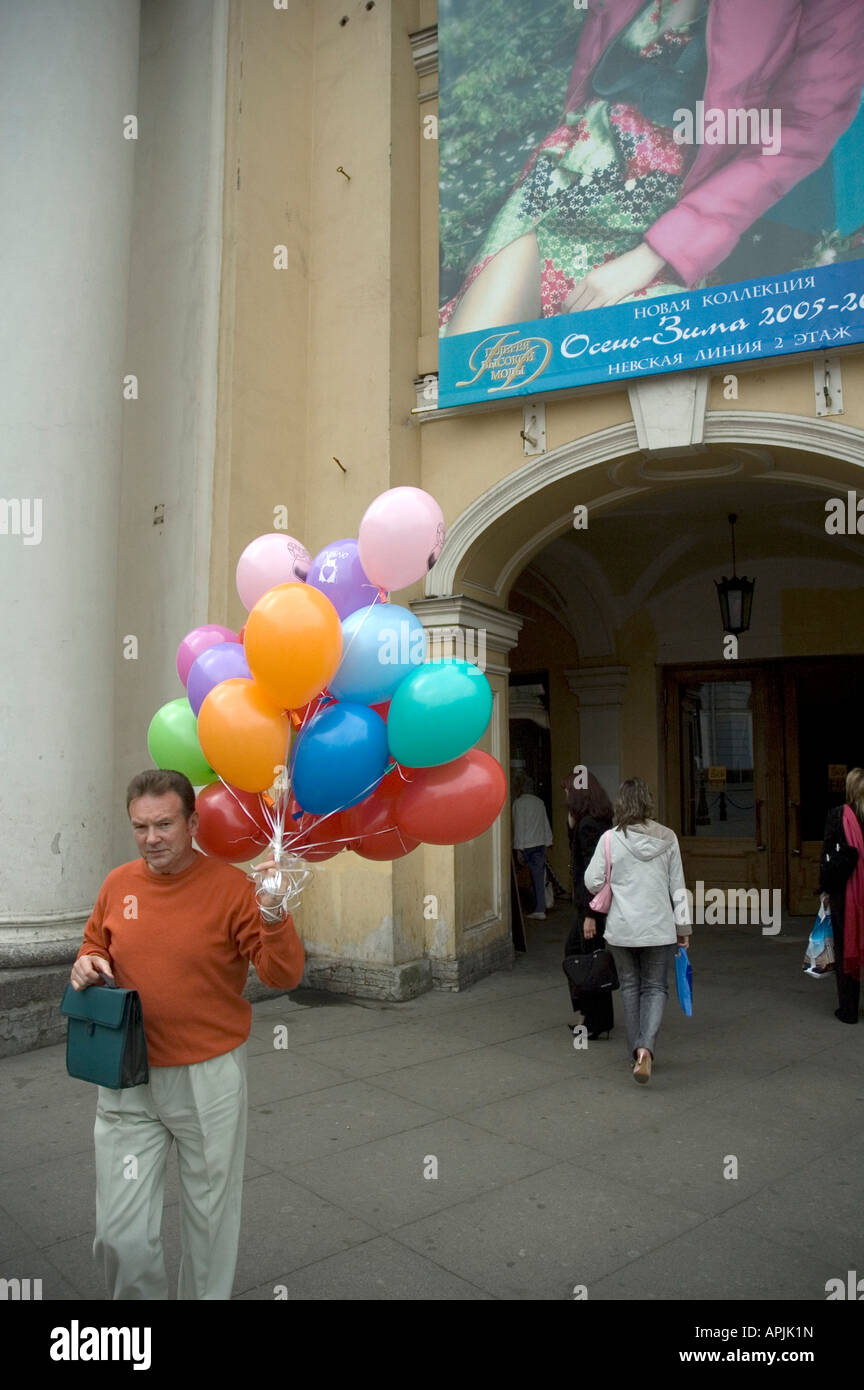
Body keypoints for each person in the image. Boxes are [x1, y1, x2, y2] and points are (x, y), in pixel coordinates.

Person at [441, 0, 864, 334]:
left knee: (605, 394)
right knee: (475, 365)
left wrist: (658, 253)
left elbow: (799, 127)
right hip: (562, 179)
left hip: (666, 217)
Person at [69, 768, 305, 1300]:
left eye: (164, 825)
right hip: (127, 1076)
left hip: (208, 1079)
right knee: (120, 1235)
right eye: (140, 827)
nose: (151, 838)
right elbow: (93, 944)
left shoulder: (230, 888)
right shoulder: (118, 884)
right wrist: (87, 963)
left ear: (193, 822)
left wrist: (273, 912)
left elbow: (281, 974)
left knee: (210, 1220)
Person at [584, 777, 691, 1083]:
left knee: (630, 986)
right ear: (648, 802)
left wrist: (614, 881)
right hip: (659, 928)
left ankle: (635, 1052)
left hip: (621, 929)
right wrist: (683, 927)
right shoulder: (668, 837)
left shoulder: (609, 839)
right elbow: (678, 887)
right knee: (656, 987)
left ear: (621, 804)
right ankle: (646, 1049)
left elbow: (592, 881)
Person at [563, 771, 615, 1039]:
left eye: (567, 791)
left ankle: (595, 1018)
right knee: (587, 956)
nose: (565, 796)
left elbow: (593, 874)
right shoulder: (593, 821)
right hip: (592, 906)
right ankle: (592, 1015)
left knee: (587, 958)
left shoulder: (589, 826)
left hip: (592, 907)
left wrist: (590, 915)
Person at [818, 767, 864, 1024]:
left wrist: (824, 888)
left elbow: (827, 854)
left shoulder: (839, 815)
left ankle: (848, 1009)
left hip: (847, 893)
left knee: (846, 945)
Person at [512, 775, 554, 920]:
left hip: (526, 845)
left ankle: (538, 909)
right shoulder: (539, 802)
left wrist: (518, 849)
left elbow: (518, 827)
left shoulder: (519, 803)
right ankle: (540, 908)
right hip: (540, 844)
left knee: (528, 878)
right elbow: (545, 823)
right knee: (539, 878)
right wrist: (549, 841)